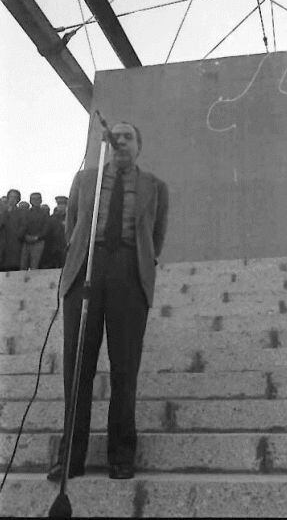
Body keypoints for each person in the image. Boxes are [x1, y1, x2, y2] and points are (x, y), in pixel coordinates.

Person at [47, 121, 168, 482]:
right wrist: (85, 257)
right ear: (107, 144)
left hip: (129, 273)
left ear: (139, 146)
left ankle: (121, 455)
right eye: (115, 137)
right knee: (77, 368)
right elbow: (72, 227)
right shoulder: (86, 180)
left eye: (128, 136)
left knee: (124, 368)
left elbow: (156, 236)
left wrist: (135, 264)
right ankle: (71, 456)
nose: (120, 142)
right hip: (87, 270)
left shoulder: (155, 187)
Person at [20, 192, 49, 270]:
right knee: (23, 266)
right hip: (26, 241)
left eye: (37, 199)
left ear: (41, 200)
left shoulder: (44, 213)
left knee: (35, 266)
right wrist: (25, 236)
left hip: (38, 242)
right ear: (30, 201)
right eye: (33, 199)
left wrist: (36, 237)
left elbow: (46, 229)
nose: (35, 201)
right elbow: (22, 226)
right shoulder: (26, 213)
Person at [0, 189, 26, 271]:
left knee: (13, 268)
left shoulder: (21, 212)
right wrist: (5, 213)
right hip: (2, 244)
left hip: (15, 244)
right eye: (11, 197)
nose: (12, 199)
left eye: (15, 197)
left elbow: (24, 226)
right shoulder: (3, 211)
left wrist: (18, 235)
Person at [40, 196, 68, 269]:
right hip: (53, 248)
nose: (61, 206)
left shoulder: (70, 218)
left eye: (63, 204)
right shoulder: (52, 218)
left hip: (66, 246)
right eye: (59, 204)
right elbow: (47, 232)